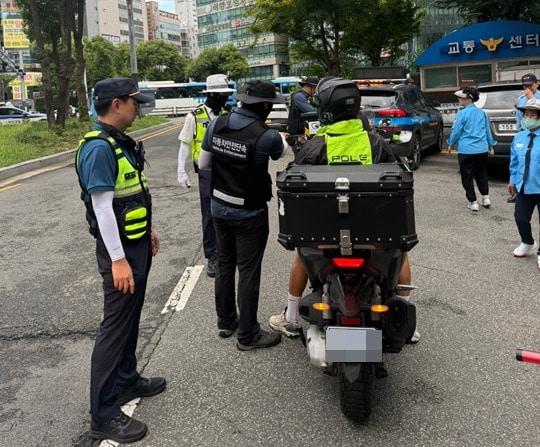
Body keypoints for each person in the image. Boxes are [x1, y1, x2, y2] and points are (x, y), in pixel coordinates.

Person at [269, 77, 419, 343]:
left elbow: (296, 179)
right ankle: (404, 319)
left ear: (325, 108)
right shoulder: (376, 142)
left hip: (324, 235)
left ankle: (290, 317)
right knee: (402, 253)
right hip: (374, 234)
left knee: (301, 257)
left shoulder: (314, 144)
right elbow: (397, 175)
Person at [75, 78, 165, 443]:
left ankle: (127, 381)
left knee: (130, 318)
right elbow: (102, 208)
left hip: (135, 244)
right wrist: (118, 261)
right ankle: (103, 413)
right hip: (121, 253)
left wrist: (148, 230)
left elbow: (131, 194)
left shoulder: (118, 143)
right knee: (114, 328)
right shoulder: (98, 148)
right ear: (116, 104)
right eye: (133, 102)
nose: (137, 108)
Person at [198, 80, 289, 350]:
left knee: (225, 263)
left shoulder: (217, 124)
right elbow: (280, 152)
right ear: (263, 105)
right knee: (248, 271)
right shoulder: (267, 136)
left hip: (218, 206)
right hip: (249, 212)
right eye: (270, 105)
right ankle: (248, 335)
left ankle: (227, 322)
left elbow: (204, 164)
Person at [177, 74, 236, 277]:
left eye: (226, 95)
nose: (224, 98)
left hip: (227, 170)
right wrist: (181, 171)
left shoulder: (228, 115)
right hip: (206, 172)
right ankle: (212, 256)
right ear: (211, 94)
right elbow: (185, 144)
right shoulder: (194, 116)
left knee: (228, 210)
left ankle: (227, 252)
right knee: (209, 215)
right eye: (221, 95)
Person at [447, 86, 497, 212]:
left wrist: (451, 143)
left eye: (461, 97)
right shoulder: (482, 113)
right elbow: (487, 131)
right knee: (481, 174)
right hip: (481, 149)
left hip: (466, 150)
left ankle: (473, 202)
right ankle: (486, 198)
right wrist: (491, 145)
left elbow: (456, 131)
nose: (459, 99)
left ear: (469, 99)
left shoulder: (462, 113)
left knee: (467, 176)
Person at [508, 102, 540, 269]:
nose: (528, 118)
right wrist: (513, 180)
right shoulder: (519, 137)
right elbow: (514, 162)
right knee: (520, 218)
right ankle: (527, 242)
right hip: (523, 187)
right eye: (527, 114)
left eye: (533, 115)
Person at [509, 74, 540, 203]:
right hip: (524, 135)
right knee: (520, 162)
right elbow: (520, 119)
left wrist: (532, 98)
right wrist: (520, 134)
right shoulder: (521, 99)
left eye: (530, 85)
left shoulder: (535, 97)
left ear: (537, 84)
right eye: (525, 85)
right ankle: (520, 190)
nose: (527, 88)